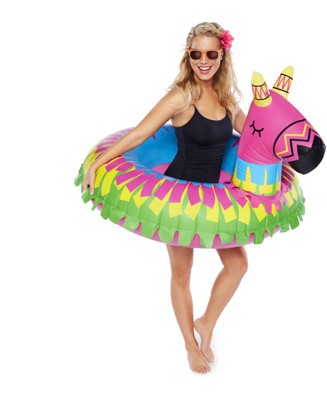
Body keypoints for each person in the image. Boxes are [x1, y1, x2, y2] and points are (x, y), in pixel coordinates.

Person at [82, 22, 248, 374]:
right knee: (182, 272)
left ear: (222, 55)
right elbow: (141, 134)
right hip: (179, 197)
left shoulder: (228, 101)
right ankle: (190, 345)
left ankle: (205, 323)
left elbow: (253, 137)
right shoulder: (181, 96)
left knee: (237, 265)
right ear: (188, 55)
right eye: (196, 53)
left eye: (211, 53)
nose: (204, 61)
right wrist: (98, 163)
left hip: (213, 197)